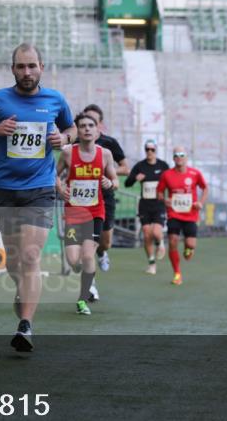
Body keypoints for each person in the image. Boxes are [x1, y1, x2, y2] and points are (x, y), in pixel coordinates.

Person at [0, 43, 75, 352]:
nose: (26, 72)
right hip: (5, 189)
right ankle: (23, 291)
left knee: (30, 256)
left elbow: (71, 127)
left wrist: (65, 137)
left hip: (40, 188)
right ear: (12, 69)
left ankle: (25, 326)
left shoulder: (55, 99)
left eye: (32, 66)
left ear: (42, 66)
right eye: (20, 66)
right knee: (15, 262)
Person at [57, 113, 118, 316]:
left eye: (90, 125)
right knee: (74, 260)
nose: (86, 129)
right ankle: (85, 276)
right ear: (77, 131)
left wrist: (110, 183)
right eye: (82, 126)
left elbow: (115, 180)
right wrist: (60, 187)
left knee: (88, 255)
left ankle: (83, 299)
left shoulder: (106, 154)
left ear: (97, 130)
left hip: (95, 212)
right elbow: (53, 175)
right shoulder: (67, 153)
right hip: (73, 212)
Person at [80, 104, 128, 278]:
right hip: (82, 200)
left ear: (99, 124)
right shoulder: (76, 144)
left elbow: (125, 168)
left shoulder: (109, 144)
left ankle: (102, 253)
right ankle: (89, 285)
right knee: (86, 244)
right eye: (85, 122)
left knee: (105, 242)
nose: (88, 126)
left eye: (93, 122)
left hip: (105, 198)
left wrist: (108, 174)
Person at [156, 147, 208, 285]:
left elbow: (205, 188)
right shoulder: (166, 175)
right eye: (176, 155)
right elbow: (159, 192)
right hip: (174, 213)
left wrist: (200, 202)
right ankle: (177, 273)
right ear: (173, 158)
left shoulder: (195, 173)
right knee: (173, 241)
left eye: (182, 155)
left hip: (191, 214)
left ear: (186, 157)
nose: (179, 157)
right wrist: (164, 199)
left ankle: (188, 249)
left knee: (190, 245)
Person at [124, 140, 170, 275]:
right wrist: (135, 179)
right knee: (146, 234)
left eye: (152, 149)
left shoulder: (163, 166)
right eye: (147, 149)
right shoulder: (140, 166)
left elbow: (171, 181)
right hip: (145, 204)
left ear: (156, 150)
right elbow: (127, 183)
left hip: (159, 204)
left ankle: (161, 243)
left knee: (156, 232)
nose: (149, 152)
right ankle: (151, 263)